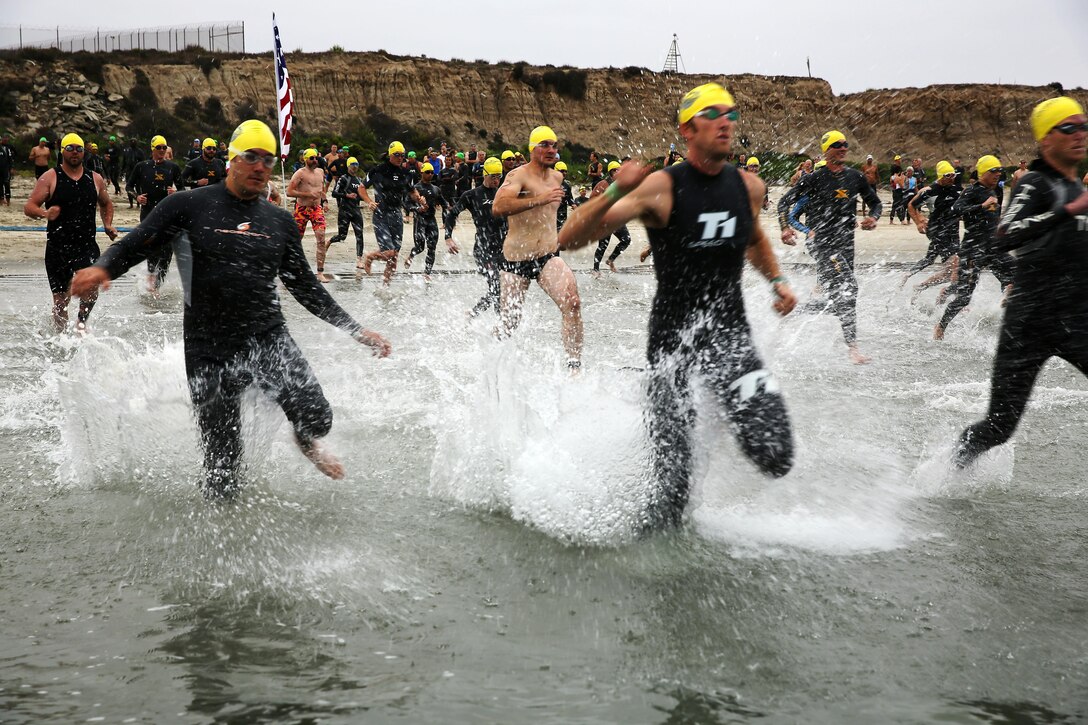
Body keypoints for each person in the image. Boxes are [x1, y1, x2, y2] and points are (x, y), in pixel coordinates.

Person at [68, 120, 392, 499]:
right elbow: (136, 243)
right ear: (232, 160)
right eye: (251, 157)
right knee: (223, 470)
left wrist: (356, 331)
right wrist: (103, 268)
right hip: (207, 347)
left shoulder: (280, 222)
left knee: (317, 417)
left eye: (267, 160)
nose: (260, 167)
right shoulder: (187, 205)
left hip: (267, 338)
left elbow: (306, 287)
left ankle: (304, 440)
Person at [558, 82, 797, 530]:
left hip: (731, 340)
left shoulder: (749, 186)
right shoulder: (662, 188)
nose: (726, 122)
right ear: (688, 129)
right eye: (713, 114)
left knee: (776, 453)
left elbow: (753, 238)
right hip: (672, 349)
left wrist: (777, 281)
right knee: (671, 492)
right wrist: (615, 190)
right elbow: (569, 238)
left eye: (731, 113)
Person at [954, 97, 1088, 468]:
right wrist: (1065, 211)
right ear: (1046, 139)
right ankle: (946, 471)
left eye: (1084, 126)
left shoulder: (1079, 191)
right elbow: (1005, 234)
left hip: (1077, 319)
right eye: (1069, 128)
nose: (1080, 134)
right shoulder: (1036, 182)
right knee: (999, 427)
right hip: (1029, 323)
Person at [777, 130, 881, 364]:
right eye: (837, 145)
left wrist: (873, 218)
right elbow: (784, 203)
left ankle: (797, 309)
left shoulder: (855, 177)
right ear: (826, 150)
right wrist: (785, 228)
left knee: (841, 297)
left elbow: (875, 203)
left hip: (846, 243)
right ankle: (853, 349)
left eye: (845, 144)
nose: (843, 148)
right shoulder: (814, 178)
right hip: (821, 242)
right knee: (850, 287)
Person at [492, 126, 583, 369]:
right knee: (509, 324)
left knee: (572, 303)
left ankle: (574, 367)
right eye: (544, 145)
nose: (551, 150)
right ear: (532, 149)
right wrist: (538, 200)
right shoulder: (518, 176)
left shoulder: (557, 178)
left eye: (554, 145)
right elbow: (498, 206)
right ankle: (489, 355)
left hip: (547, 256)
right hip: (515, 260)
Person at [23, 132, 117, 333]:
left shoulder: (95, 178)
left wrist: (107, 224)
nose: (75, 152)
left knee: (91, 289)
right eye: (70, 148)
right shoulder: (50, 177)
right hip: (58, 248)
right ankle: (60, 338)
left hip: (86, 245)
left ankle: (81, 324)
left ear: (84, 152)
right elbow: (29, 206)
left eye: (79, 149)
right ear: (62, 151)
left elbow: (106, 204)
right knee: (60, 301)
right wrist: (45, 213)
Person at [934, 155, 1013, 339]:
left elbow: (993, 218)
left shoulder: (995, 190)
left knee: (1017, 273)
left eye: (1000, 170)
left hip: (992, 247)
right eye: (993, 171)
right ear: (983, 173)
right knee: (964, 297)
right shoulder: (972, 191)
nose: (998, 174)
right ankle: (941, 326)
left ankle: (1007, 294)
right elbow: (955, 211)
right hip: (972, 249)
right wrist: (981, 206)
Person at [445, 156, 507, 316]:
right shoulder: (471, 195)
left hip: (502, 249)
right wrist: (448, 237)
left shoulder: (504, 194)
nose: (496, 180)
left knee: (503, 288)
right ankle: (497, 321)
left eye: (499, 176)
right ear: (485, 174)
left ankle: (474, 314)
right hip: (483, 249)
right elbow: (452, 214)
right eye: (493, 176)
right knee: (497, 286)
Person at [362, 141, 424, 285]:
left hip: (396, 214)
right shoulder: (378, 170)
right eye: (397, 155)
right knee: (389, 253)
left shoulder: (405, 173)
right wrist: (369, 201)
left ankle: (385, 287)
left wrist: (419, 198)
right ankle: (370, 257)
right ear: (390, 154)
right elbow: (361, 187)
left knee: (394, 257)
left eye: (402, 155)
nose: (400, 158)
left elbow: (412, 191)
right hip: (381, 214)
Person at [127, 134, 183, 292]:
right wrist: (137, 197)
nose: (162, 150)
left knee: (167, 249)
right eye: (159, 147)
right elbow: (129, 186)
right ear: (152, 149)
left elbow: (182, 189)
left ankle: (159, 285)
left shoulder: (173, 167)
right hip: (148, 212)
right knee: (151, 245)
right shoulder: (142, 166)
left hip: (168, 213)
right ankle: (151, 278)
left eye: (164, 147)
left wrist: (175, 192)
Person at [902, 160, 962, 291]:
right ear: (941, 176)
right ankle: (955, 295)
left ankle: (917, 284)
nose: (952, 178)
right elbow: (911, 205)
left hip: (953, 231)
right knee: (956, 263)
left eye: (953, 175)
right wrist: (919, 222)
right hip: (936, 230)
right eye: (948, 175)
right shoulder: (930, 191)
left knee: (936, 264)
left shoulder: (956, 190)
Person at [286, 148, 331, 281]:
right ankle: (290, 269)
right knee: (296, 240)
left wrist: (325, 201)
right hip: (302, 209)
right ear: (306, 159)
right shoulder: (300, 173)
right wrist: (307, 194)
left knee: (321, 239)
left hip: (316, 209)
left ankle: (320, 273)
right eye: (312, 158)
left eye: (316, 158)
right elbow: (289, 192)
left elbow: (321, 190)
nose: (315, 160)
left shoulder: (320, 172)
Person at [405, 162, 452, 278]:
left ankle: (427, 273)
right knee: (420, 247)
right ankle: (411, 256)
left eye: (432, 172)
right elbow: (406, 203)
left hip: (431, 219)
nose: (430, 174)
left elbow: (443, 202)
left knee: (432, 247)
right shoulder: (416, 188)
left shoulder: (436, 189)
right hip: (420, 220)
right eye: (427, 172)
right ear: (422, 173)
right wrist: (417, 209)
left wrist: (450, 207)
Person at [328, 156, 371, 268]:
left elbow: (361, 195)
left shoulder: (359, 180)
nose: (355, 167)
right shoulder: (343, 179)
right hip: (344, 211)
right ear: (348, 166)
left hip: (356, 210)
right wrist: (346, 195)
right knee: (342, 236)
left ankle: (359, 260)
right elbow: (334, 193)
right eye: (352, 165)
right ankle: (329, 241)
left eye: (356, 165)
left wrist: (368, 201)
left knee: (359, 235)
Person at [592, 161, 634, 274]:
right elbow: (592, 198)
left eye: (619, 170)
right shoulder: (603, 184)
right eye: (615, 170)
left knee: (626, 240)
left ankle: (611, 259)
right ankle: (595, 270)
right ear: (610, 172)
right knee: (603, 245)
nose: (618, 172)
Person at [121, 139, 146, 207]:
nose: (133, 143)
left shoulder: (140, 151)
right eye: (131, 142)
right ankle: (131, 204)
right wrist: (122, 171)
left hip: (138, 172)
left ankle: (138, 203)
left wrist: (143, 171)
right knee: (129, 187)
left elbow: (143, 162)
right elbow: (124, 162)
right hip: (129, 171)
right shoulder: (127, 151)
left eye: (134, 142)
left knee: (138, 187)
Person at [554, 161, 574, 232]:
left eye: (566, 171)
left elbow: (570, 200)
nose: (564, 173)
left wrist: (578, 209)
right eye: (562, 171)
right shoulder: (549, 184)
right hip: (551, 215)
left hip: (562, 215)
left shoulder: (567, 185)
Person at [0, 134, 15, 204]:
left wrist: (12, 168)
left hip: (6, 169)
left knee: (7, 184)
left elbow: (10, 159)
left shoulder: (7, 148)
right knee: (0, 184)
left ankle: (8, 199)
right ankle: (1, 199)